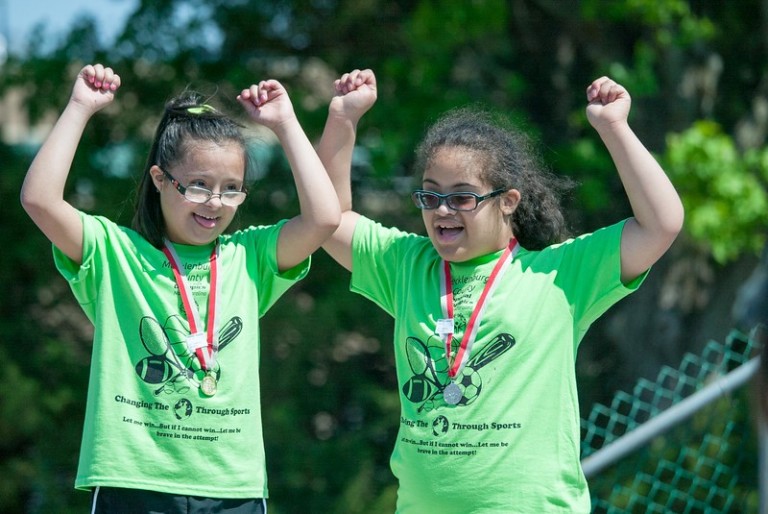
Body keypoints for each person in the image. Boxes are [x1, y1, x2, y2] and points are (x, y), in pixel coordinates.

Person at [318, 69, 684, 513]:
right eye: (430, 197)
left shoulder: (559, 275)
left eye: (463, 197)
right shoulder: (407, 265)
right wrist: (343, 118)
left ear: (507, 201)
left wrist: (614, 128)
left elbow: (661, 223)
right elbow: (327, 219)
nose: (442, 210)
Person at [20, 63, 340, 513]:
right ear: (159, 180)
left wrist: (286, 126)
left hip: (232, 487)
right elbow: (39, 199)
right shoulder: (115, 254)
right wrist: (78, 108)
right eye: (198, 185)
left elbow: (325, 218)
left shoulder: (249, 257)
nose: (215, 202)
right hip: (134, 482)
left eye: (232, 189)